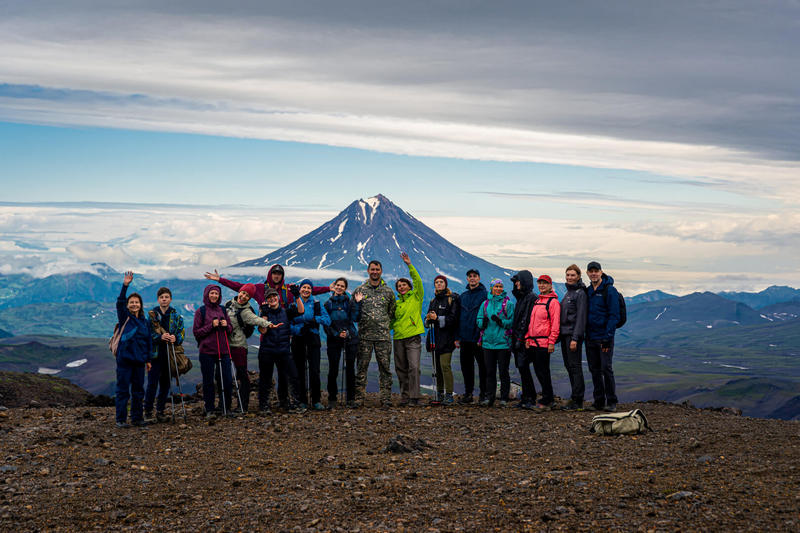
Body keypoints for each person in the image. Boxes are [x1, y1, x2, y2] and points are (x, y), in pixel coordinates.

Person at [353, 259, 396, 408]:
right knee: (361, 368)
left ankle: (385, 399)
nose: (375, 272)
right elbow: (355, 312)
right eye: (372, 269)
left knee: (385, 369)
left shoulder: (389, 291)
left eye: (377, 269)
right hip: (364, 337)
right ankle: (359, 399)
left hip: (383, 337)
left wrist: (382, 324)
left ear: (381, 271)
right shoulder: (360, 290)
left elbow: (391, 312)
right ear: (368, 271)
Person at [224, 283, 274, 413]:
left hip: (239, 345)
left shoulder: (246, 311)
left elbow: (257, 320)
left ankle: (243, 405)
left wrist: (269, 324)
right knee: (224, 375)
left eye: (247, 295)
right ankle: (225, 405)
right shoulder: (228, 304)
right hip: (225, 345)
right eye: (243, 293)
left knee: (242, 375)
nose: (244, 296)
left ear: (250, 298)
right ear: (239, 292)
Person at [257, 287, 306, 414]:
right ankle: (264, 405)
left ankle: (294, 403)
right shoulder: (264, 312)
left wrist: (296, 296)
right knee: (265, 378)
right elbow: (263, 330)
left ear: (278, 298)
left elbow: (301, 311)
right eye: (269, 298)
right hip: (267, 350)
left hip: (283, 350)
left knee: (293, 376)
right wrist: (265, 316)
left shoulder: (286, 311)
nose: (272, 299)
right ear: (267, 300)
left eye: (274, 296)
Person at [114, 271, 153, 428]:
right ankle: (121, 419)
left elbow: (148, 341)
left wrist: (148, 360)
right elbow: (119, 302)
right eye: (132, 302)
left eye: (137, 302)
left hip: (139, 361)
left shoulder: (144, 321)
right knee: (123, 390)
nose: (134, 304)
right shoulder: (125, 317)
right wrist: (125, 285)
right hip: (125, 360)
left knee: (138, 391)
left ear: (140, 305)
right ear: (128, 305)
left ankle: (137, 418)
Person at [205, 265, 331, 308]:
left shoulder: (288, 289)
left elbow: (309, 291)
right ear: (270, 274)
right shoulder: (260, 288)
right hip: (266, 326)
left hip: (285, 330)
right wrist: (220, 280)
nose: (276, 276)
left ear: (282, 276)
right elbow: (240, 287)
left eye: (279, 274)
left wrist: (328, 289)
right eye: (274, 273)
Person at [144, 286, 185, 422]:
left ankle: (160, 411)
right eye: (162, 297)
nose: (164, 299)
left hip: (170, 355)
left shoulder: (176, 315)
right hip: (155, 355)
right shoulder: (152, 315)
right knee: (152, 383)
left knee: (166, 384)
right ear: (158, 299)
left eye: (166, 297)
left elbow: (181, 332)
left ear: (170, 299)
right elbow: (147, 333)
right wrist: (159, 337)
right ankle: (148, 411)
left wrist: (176, 338)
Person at [193, 284, 233, 419]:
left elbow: (230, 329)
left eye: (216, 293)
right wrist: (211, 326)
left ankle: (225, 407)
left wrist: (226, 326)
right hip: (207, 352)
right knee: (208, 381)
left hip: (223, 350)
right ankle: (209, 408)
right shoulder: (201, 311)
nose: (214, 296)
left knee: (226, 380)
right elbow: (197, 332)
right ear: (207, 295)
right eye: (212, 293)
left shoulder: (223, 309)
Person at [290, 279, 332, 410]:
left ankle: (316, 400)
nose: (306, 290)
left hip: (313, 338)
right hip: (299, 339)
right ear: (300, 289)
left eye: (309, 288)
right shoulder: (294, 304)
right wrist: (298, 329)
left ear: (311, 290)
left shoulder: (316, 304)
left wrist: (315, 319)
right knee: (300, 370)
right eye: (304, 287)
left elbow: (327, 320)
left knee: (314, 370)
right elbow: (289, 324)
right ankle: (302, 400)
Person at [585, 261, 621, 412]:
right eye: (591, 271)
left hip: (604, 338)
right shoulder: (588, 291)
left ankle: (611, 401)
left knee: (606, 369)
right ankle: (599, 401)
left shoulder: (609, 290)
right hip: (590, 337)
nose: (593, 273)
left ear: (601, 272)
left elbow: (614, 315)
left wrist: (608, 337)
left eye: (596, 271)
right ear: (587, 273)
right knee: (594, 369)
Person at [522, 275, 561, 410]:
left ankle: (548, 399)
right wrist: (527, 337)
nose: (542, 286)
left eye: (545, 283)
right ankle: (546, 397)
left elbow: (555, 324)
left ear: (550, 285)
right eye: (540, 283)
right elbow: (532, 322)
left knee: (543, 371)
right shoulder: (538, 301)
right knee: (538, 371)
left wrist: (552, 342)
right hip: (533, 342)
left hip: (544, 343)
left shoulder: (553, 303)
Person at [391, 252, 425, 406]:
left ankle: (414, 396)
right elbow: (391, 321)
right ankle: (405, 397)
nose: (401, 287)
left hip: (413, 337)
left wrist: (409, 265)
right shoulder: (396, 304)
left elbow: (418, 281)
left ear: (409, 287)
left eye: (404, 285)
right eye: (399, 286)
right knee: (401, 368)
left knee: (414, 367)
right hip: (398, 338)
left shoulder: (416, 297)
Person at [324, 277, 362, 408]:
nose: (339, 287)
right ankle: (332, 399)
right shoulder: (328, 304)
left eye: (342, 286)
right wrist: (337, 333)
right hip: (334, 340)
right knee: (333, 369)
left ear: (345, 288)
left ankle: (350, 399)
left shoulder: (350, 302)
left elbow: (355, 318)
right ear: (334, 286)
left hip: (350, 338)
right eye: (337, 285)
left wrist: (357, 303)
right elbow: (326, 324)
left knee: (350, 369)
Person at [476, 279, 514, 407]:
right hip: (488, 344)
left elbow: (512, 322)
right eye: (496, 286)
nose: (498, 289)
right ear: (491, 288)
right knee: (490, 372)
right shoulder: (485, 304)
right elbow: (479, 319)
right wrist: (483, 323)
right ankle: (490, 398)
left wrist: (501, 322)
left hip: (503, 343)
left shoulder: (508, 304)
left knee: (503, 371)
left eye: (500, 286)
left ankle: (504, 398)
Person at [425, 275, 460, 404]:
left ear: (445, 284)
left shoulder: (452, 300)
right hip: (434, 339)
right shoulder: (433, 301)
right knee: (437, 368)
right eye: (436, 282)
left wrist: (438, 318)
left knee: (445, 366)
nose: (439, 284)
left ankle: (449, 394)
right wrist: (428, 319)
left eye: (441, 282)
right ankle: (440, 394)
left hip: (447, 339)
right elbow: (427, 320)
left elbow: (453, 319)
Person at [456, 268, 488, 404]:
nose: (472, 278)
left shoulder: (485, 295)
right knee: (466, 367)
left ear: (479, 278)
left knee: (483, 367)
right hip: (464, 338)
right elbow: (458, 317)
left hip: (479, 338)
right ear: (467, 279)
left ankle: (483, 394)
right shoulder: (463, 296)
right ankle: (468, 394)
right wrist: (457, 337)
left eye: (475, 276)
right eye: (470, 276)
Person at [559, 265, 588, 410]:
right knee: (569, 366)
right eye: (567, 275)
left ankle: (578, 400)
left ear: (578, 276)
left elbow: (581, 318)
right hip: (565, 335)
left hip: (572, 335)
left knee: (575, 367)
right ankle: (574, 397)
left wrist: (575, 338)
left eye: (572, 275)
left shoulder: (580, 293)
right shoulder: (568, 293)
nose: (569, 277)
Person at [510, 270, 537, 406]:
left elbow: (526, 320)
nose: (516, 284)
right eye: (515, 282)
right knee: (522, 369)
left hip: (523, 340)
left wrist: (520, 339)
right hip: (518, 339)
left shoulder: (530, 297)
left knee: (523, 367)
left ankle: (530, 397)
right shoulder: (521, 298)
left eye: (518, 281)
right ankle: (526, 397)